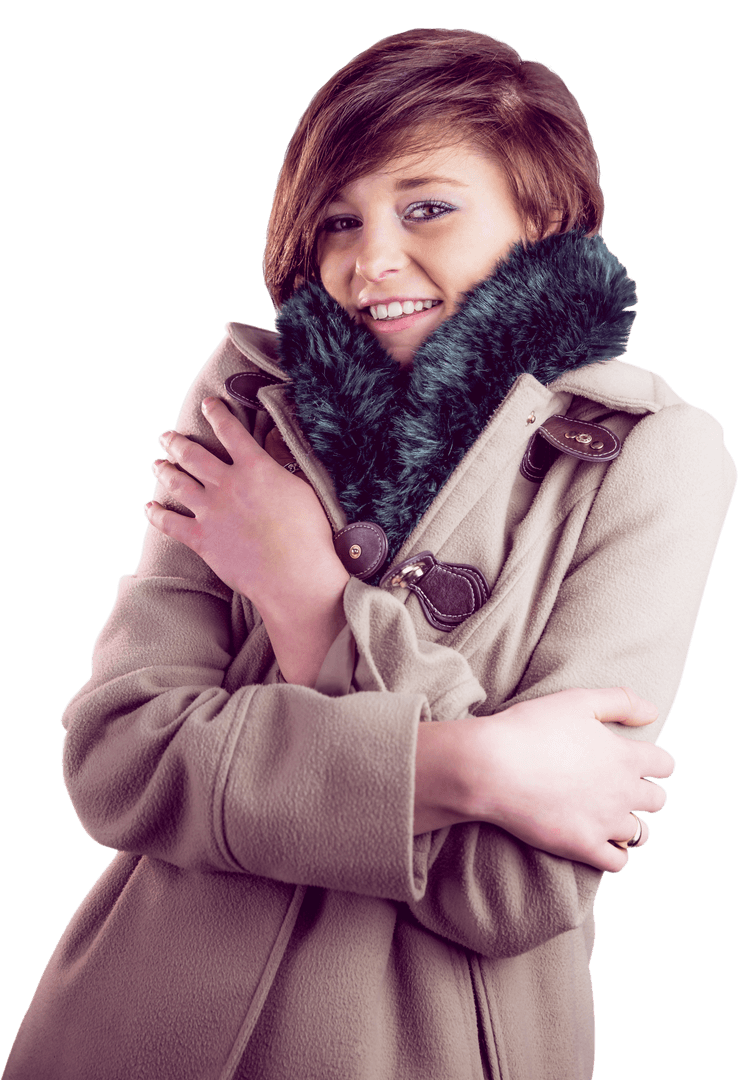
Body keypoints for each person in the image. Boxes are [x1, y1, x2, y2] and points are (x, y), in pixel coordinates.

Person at [4, 27, 734, 1080]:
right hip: (127, 1029)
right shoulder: (248, 406)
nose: (368, 259)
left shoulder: (651, 457)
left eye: (426, 206)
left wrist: (308, 602)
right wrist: (473, 764)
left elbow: (510, 888)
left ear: (543, 215)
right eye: (337, 219)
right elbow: (118, 757)